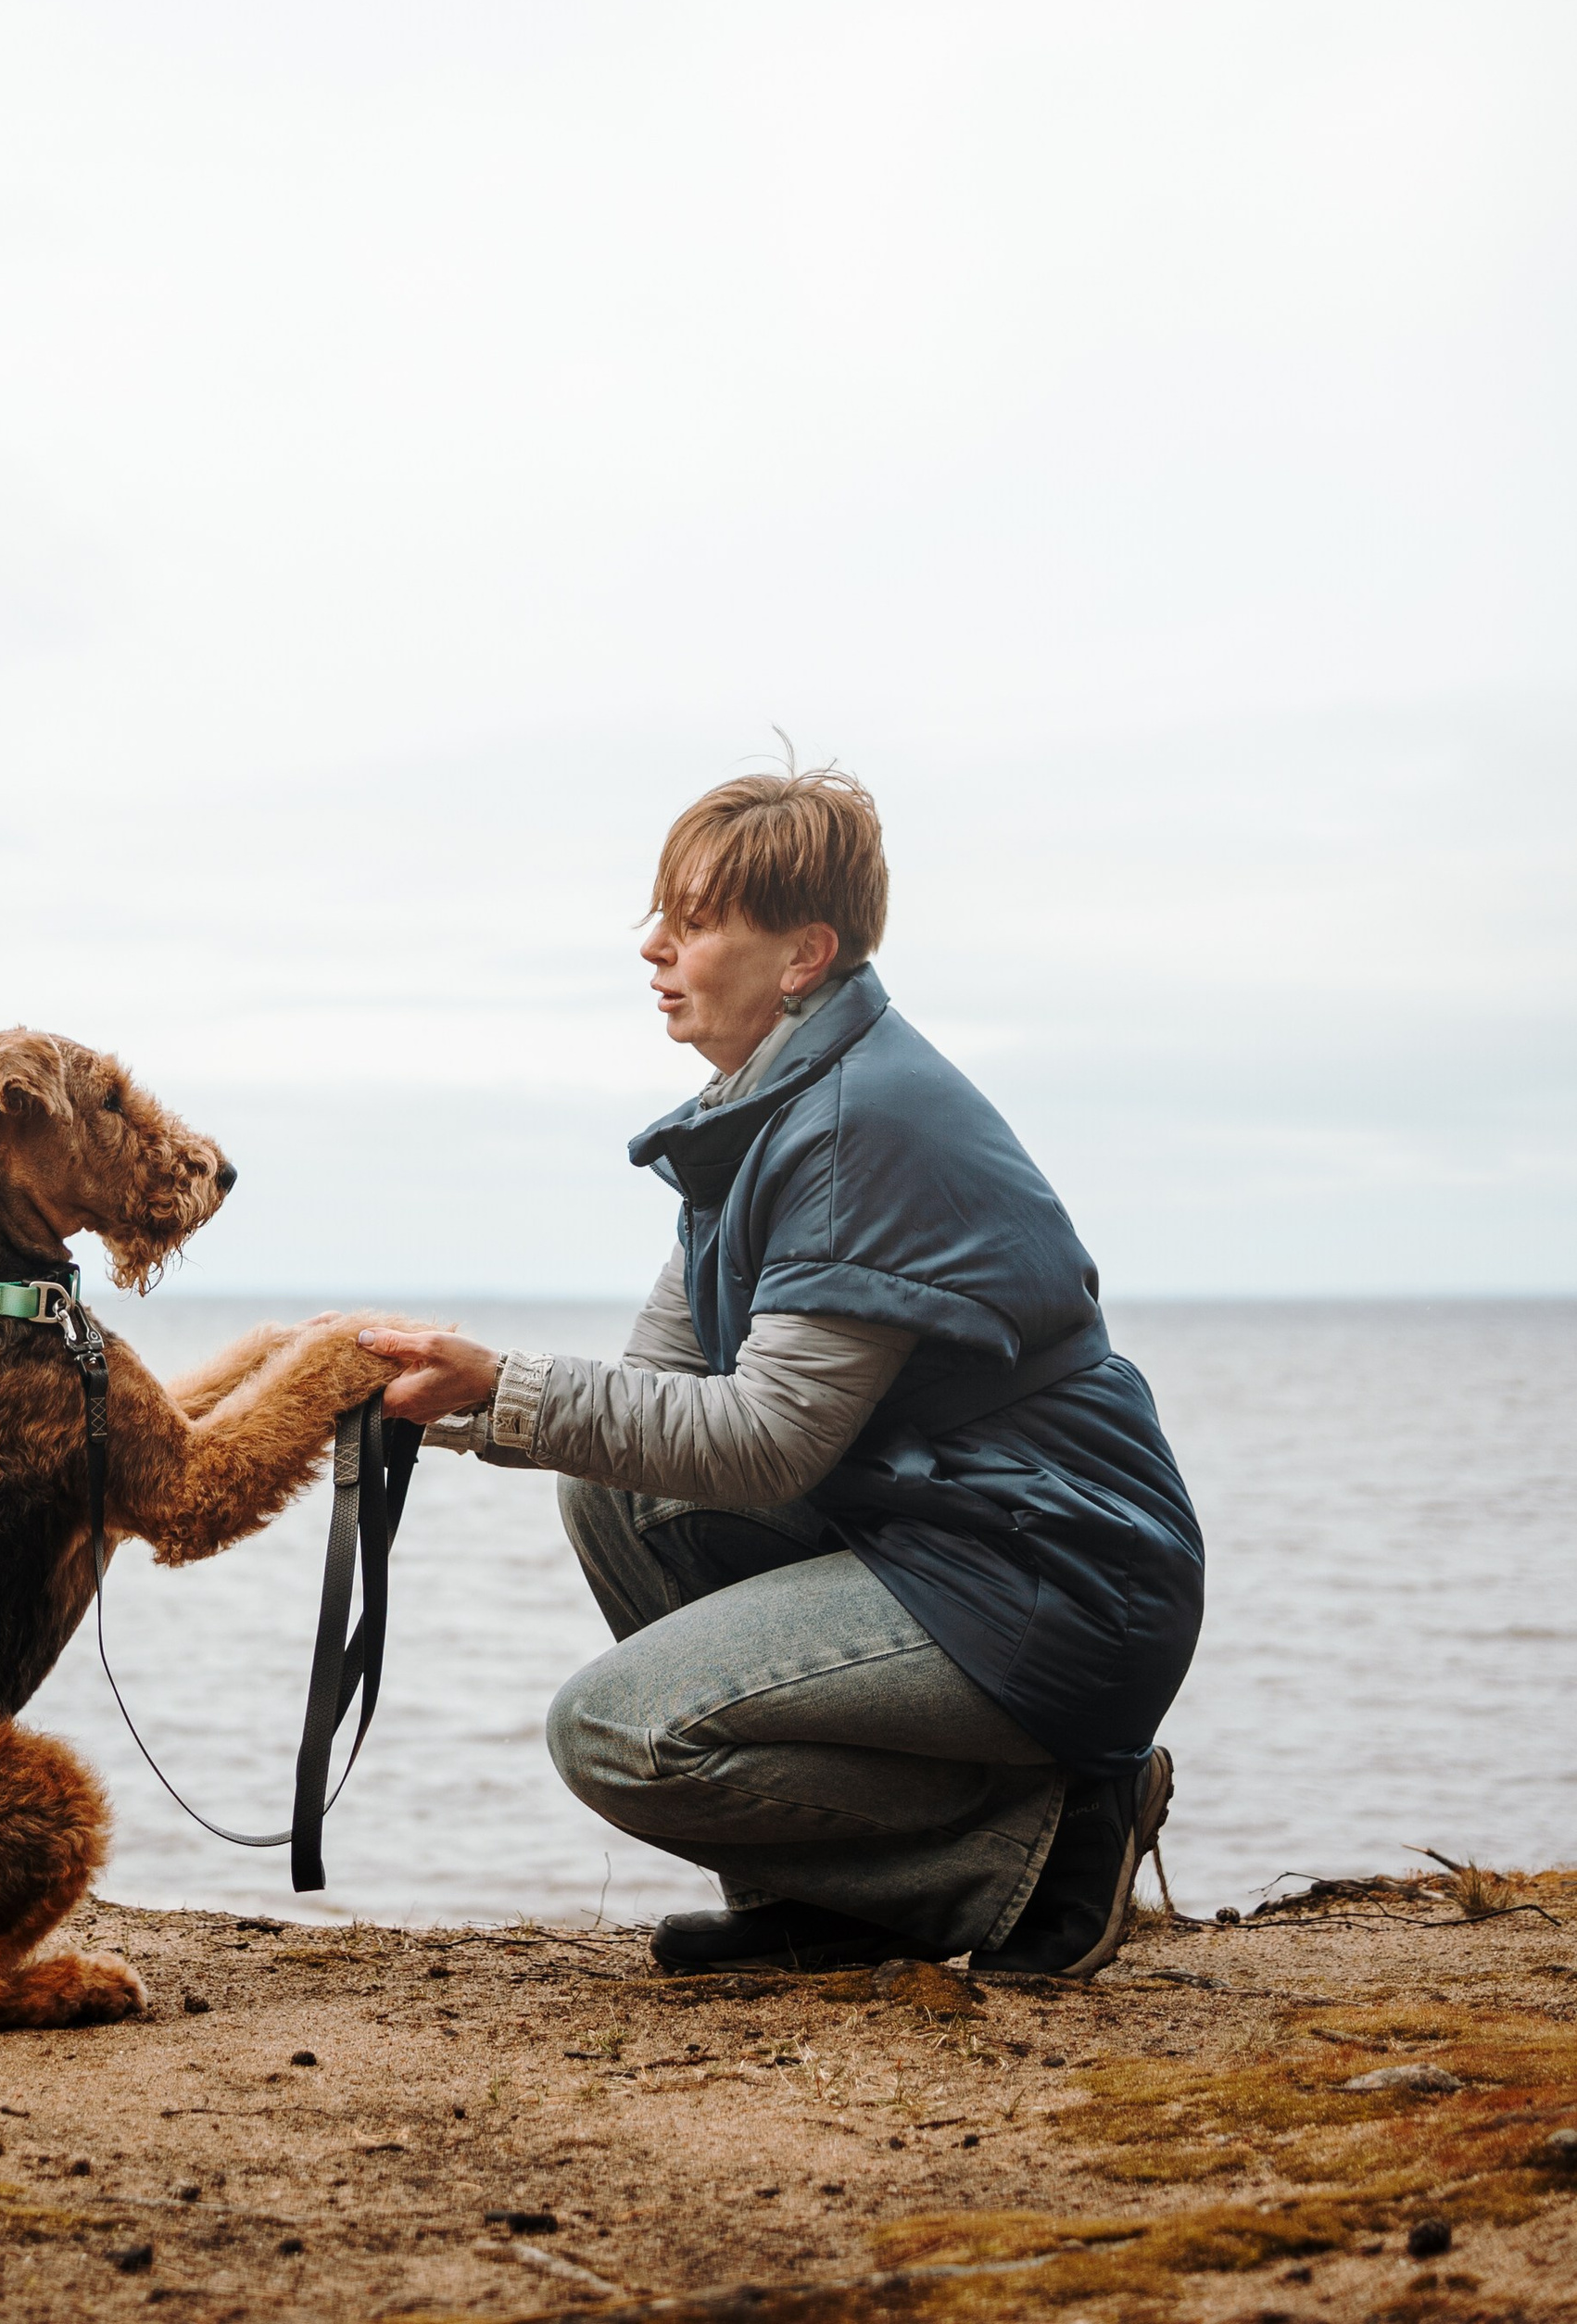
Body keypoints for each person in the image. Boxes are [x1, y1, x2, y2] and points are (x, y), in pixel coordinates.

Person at [360, 762, 1203, 1979]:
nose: (651, 947)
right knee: (609, 1491)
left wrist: (499, 1382)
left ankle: (1037, 1847)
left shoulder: (858, 1128)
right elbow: (652, 1400)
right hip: (954, 1536)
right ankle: (831, 1904)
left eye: (693, 921)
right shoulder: (764, 1112)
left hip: (1059, 1575)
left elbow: (766, 1443)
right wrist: (410, 1397)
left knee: (612, 1732)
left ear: (804, 954)